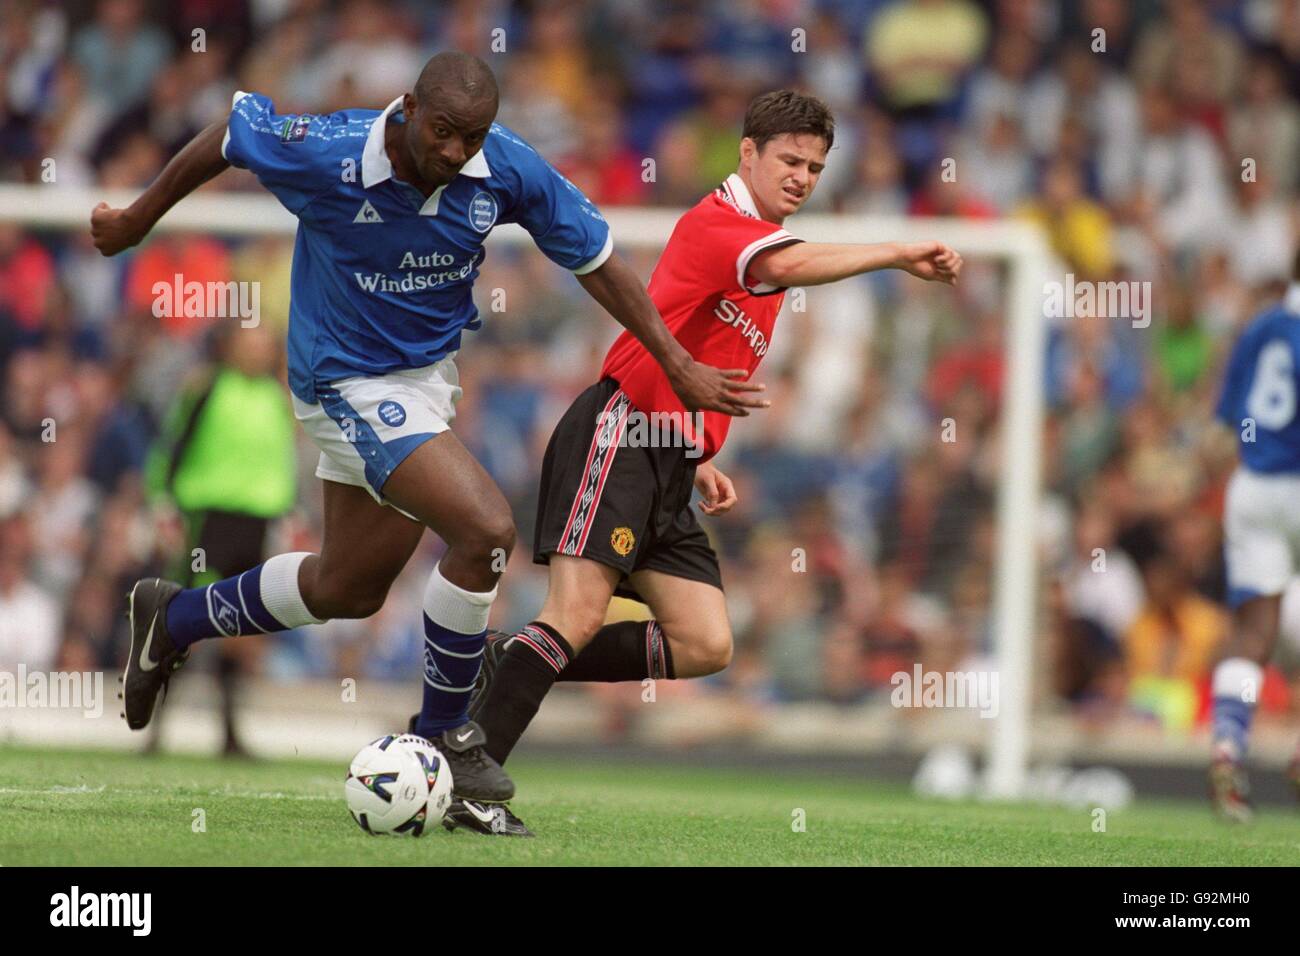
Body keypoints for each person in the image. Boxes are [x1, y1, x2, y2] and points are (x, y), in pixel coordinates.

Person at [91, 51, 759, 805]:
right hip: (341, 377)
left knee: (348, 585)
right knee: (485, 529)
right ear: (408, 107)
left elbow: (598, 259)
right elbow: (230, 134)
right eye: (442, 131)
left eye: (470, 138)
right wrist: (138, 218)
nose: (454, 152)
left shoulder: (501, 168)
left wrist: (673, 362)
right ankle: (447, 737)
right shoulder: (332, 149)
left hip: (423, 384)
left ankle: (172, 615)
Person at [456, 89, 963, 835]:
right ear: (747, 154)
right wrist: (896, 250)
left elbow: (686, 347)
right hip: (618, 433)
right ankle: (473, 781)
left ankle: (515, 658)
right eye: (789, 159)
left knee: (704, 642)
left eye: (815, 167)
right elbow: (787, 270)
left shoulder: (757, 238)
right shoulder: (720, 225)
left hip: (664, 453)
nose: (802, 176)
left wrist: (692, 454)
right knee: (576, 614)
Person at [141, 321, 295, 757]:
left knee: (241, 629)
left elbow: (280, 461)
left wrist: (287, 511)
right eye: (250, 345)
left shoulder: (276, 398)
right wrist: (162, 502)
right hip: (208, 518)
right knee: (182, 618)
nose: (258, 354)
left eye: (264, 346)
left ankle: (229, 732)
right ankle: (156, 729)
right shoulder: (207, 389)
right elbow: (173, 446)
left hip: (257, 520)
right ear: (229, 349)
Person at [1209, 250, 1300, 821]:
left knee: (1254, 632)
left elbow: (1227, 414)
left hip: (1250, 487)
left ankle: (1228, 742)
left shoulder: (1263, 325)